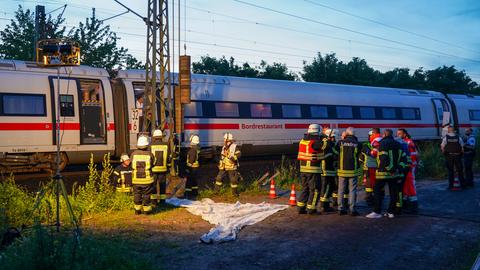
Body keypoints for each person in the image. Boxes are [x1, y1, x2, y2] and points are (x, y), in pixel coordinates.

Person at [366, 129, 408, 219]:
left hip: (383, 173)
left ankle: (377, 211)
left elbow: (383, 158)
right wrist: (398, 169)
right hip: (395, 174)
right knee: (393, 192)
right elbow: (404, 159)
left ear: (384, 134)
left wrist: (390, 169)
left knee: (377, 191)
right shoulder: (398, 144)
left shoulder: (382, 144)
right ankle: (390, 212)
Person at [297, 124, 329, 215]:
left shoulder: (303, 141)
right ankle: (311, 209)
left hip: (303, 169)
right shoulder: (315, 142)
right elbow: (325, 146)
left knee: (305, 188)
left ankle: (300, 207)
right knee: (315, 190)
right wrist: (325, 136)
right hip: (313, 169)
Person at [334, 127, 361, 216]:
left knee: (341, 189)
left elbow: (335, 152)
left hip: (342, 170)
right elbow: (359, 155)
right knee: (352, 190)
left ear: (346, 133)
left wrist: (342, 139)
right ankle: (352, 209)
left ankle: (340, 209)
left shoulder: (340, 143)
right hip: (353, 170)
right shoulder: (357, 143)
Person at [131, 135, 155, 215]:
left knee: (137, 194)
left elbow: (131, 164)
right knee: (146, 194)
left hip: (136, 179)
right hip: (147, 180)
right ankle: (147, 211)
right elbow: (153, 164)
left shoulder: (133, 154)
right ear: (147, 145)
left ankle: (137, 210)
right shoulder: (150, 154)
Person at [397, 129, 419, 213]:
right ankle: (406, 201)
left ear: (405, 134)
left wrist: (412, 165)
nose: (398, 135)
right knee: (405, 184)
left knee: (410, 184)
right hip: (406, 166)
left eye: (399, 134)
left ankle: (413, 204)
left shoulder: (408, 142)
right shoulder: (404, 142)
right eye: (397, 134)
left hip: (409, 166)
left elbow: (413, 155)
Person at [360, 129, 380, 206]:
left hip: (369, 167)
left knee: (369, 184)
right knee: (372, 183)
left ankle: (369, 198)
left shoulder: (366, 145)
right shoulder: (377, 143)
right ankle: (373, 198)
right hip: (374, 167)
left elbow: (361, 157)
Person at [150, 129, 170, 204]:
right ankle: (162, 202)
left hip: (153, 170)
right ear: (161, 137)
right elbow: (169, 157)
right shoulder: (166, 145)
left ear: (154, 137)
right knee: (162, 186)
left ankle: (154, 202)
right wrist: (168, 167)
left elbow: (150, 158)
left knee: (153, 186)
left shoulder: (151, 145)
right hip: (163, 170)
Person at [320, 128, 337, 213]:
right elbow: (334, 154)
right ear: (330, 137)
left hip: (329, 169)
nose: (334, 139)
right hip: (326, 169)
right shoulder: (328, 144)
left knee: (330, 187)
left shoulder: (326, 143)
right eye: (333, 137)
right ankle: (324, 205)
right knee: (326, 187)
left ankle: (328, 203)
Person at [185, 134, 200, 199]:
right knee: (194, 180)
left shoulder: (192, 150)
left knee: (189, 181)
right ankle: (195, 193)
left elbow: (191, 160)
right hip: (195, 168)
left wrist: (188, 168)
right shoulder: (196, 149)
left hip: (192, 168)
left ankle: (188, 194)